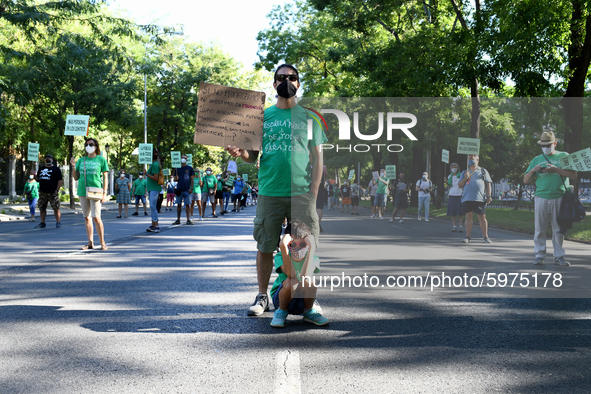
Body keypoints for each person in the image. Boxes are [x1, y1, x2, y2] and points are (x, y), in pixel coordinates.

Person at [225, 63, 326, 316]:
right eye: (281, 78)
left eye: (292, 77)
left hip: (302, 194)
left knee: (303, 246)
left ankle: (307, 300)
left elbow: (318, 159)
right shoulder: (261, 118)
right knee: (265, 245)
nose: (287, 81)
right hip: (270, 191)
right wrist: (241, 153)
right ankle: (262, 297)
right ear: (274, 84)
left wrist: (313, 193)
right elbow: (251, 157)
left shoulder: (310, 118)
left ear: (299, 83)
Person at [523, 131, 577, 266]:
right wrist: (533, 170)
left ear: (555, 143)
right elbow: (525, 180)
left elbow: (574, 175)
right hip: (541, 197)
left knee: (558, 228)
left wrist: (556, 170)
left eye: (548, 144)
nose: (545, 147)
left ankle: (559, 256)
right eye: (543, 145)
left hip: (559, 197)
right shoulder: (536, 159)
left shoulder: (563, 156)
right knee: (539, 228)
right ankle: (539, 255)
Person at [270, 220, 328, 328]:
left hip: (303, 301)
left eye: (302, 244)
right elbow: (290, 274)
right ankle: (281, 312)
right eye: (292, 244)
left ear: (308, 243)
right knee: (292, 281)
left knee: (309, 281)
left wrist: (311, 250)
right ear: (287, 243)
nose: (297, 248)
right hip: (282, 300)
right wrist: (283, 247)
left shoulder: (313, 258)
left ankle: (308, 312)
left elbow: (305, 277)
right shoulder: (280, 256)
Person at [70, 137, 109, 250]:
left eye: (91, 144)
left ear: (96, 147)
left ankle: (102, 242)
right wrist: (73, 167)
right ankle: (90, 242)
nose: (88, 146)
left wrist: (105, 193)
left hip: (96, 191)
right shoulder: (81, 160)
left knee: (96, 217)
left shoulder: (101, 160)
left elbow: (105, 178)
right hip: (83, 191)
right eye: (87, 144)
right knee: (87, 217)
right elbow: (76, 177)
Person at [458, 155, 493, 243]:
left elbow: (488, 184)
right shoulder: (465, 172)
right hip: (467, 198)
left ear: (477, 160)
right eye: (469, 158)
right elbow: (459, 185)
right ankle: (467, 237)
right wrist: (465, 178)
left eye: (472, 158)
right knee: (468, 217)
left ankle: (485, 237)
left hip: (480, 198)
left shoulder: (483, 171)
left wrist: (489, 196)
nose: (470, 160)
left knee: (482, 217)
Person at [36, 154, 63, 228]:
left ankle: (58, 222)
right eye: (46, 158)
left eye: (49, 158)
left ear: (52, 160)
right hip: (42, 192)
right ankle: (42, 223)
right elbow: (38, 179)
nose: (47, 159)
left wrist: (57, 189)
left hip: (52, 192)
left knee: (56, 207)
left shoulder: (56, 169)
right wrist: (34, 175)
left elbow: (60, 180)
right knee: (42, 207)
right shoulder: (41, 169)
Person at [173, 154, 195, 225]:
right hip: (179, 189)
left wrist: (191, 188)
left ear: (186, 159)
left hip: (187, 189)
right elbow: (175, 179)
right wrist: (175, 176)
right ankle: (178, 219)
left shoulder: (189, 168)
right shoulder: (177, 168)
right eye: (182, 158)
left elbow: (192, 179)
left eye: (184, 158)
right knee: (179, 205)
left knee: (187, 205)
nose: (183, 159)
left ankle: (188, 219)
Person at [145, 149, 162, 233]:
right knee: (152, 207)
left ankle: (157, 225)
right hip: (152, 188)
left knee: (153, 206)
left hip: (154, 188)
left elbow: (156, 177)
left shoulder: (155, 165)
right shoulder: (153, 164)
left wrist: (147, 174)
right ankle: (153, 225)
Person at [447, 163, 464, 232]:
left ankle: (461, 226)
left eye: (455, 167)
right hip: (452, 195)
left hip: (459, 195)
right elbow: (449, 186)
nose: (453, 168)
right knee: (453, 212)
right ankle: (454, 226)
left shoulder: (461, 175)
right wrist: (446, 182)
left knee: (460, 212)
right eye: (452, 167)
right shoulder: (449, 176)